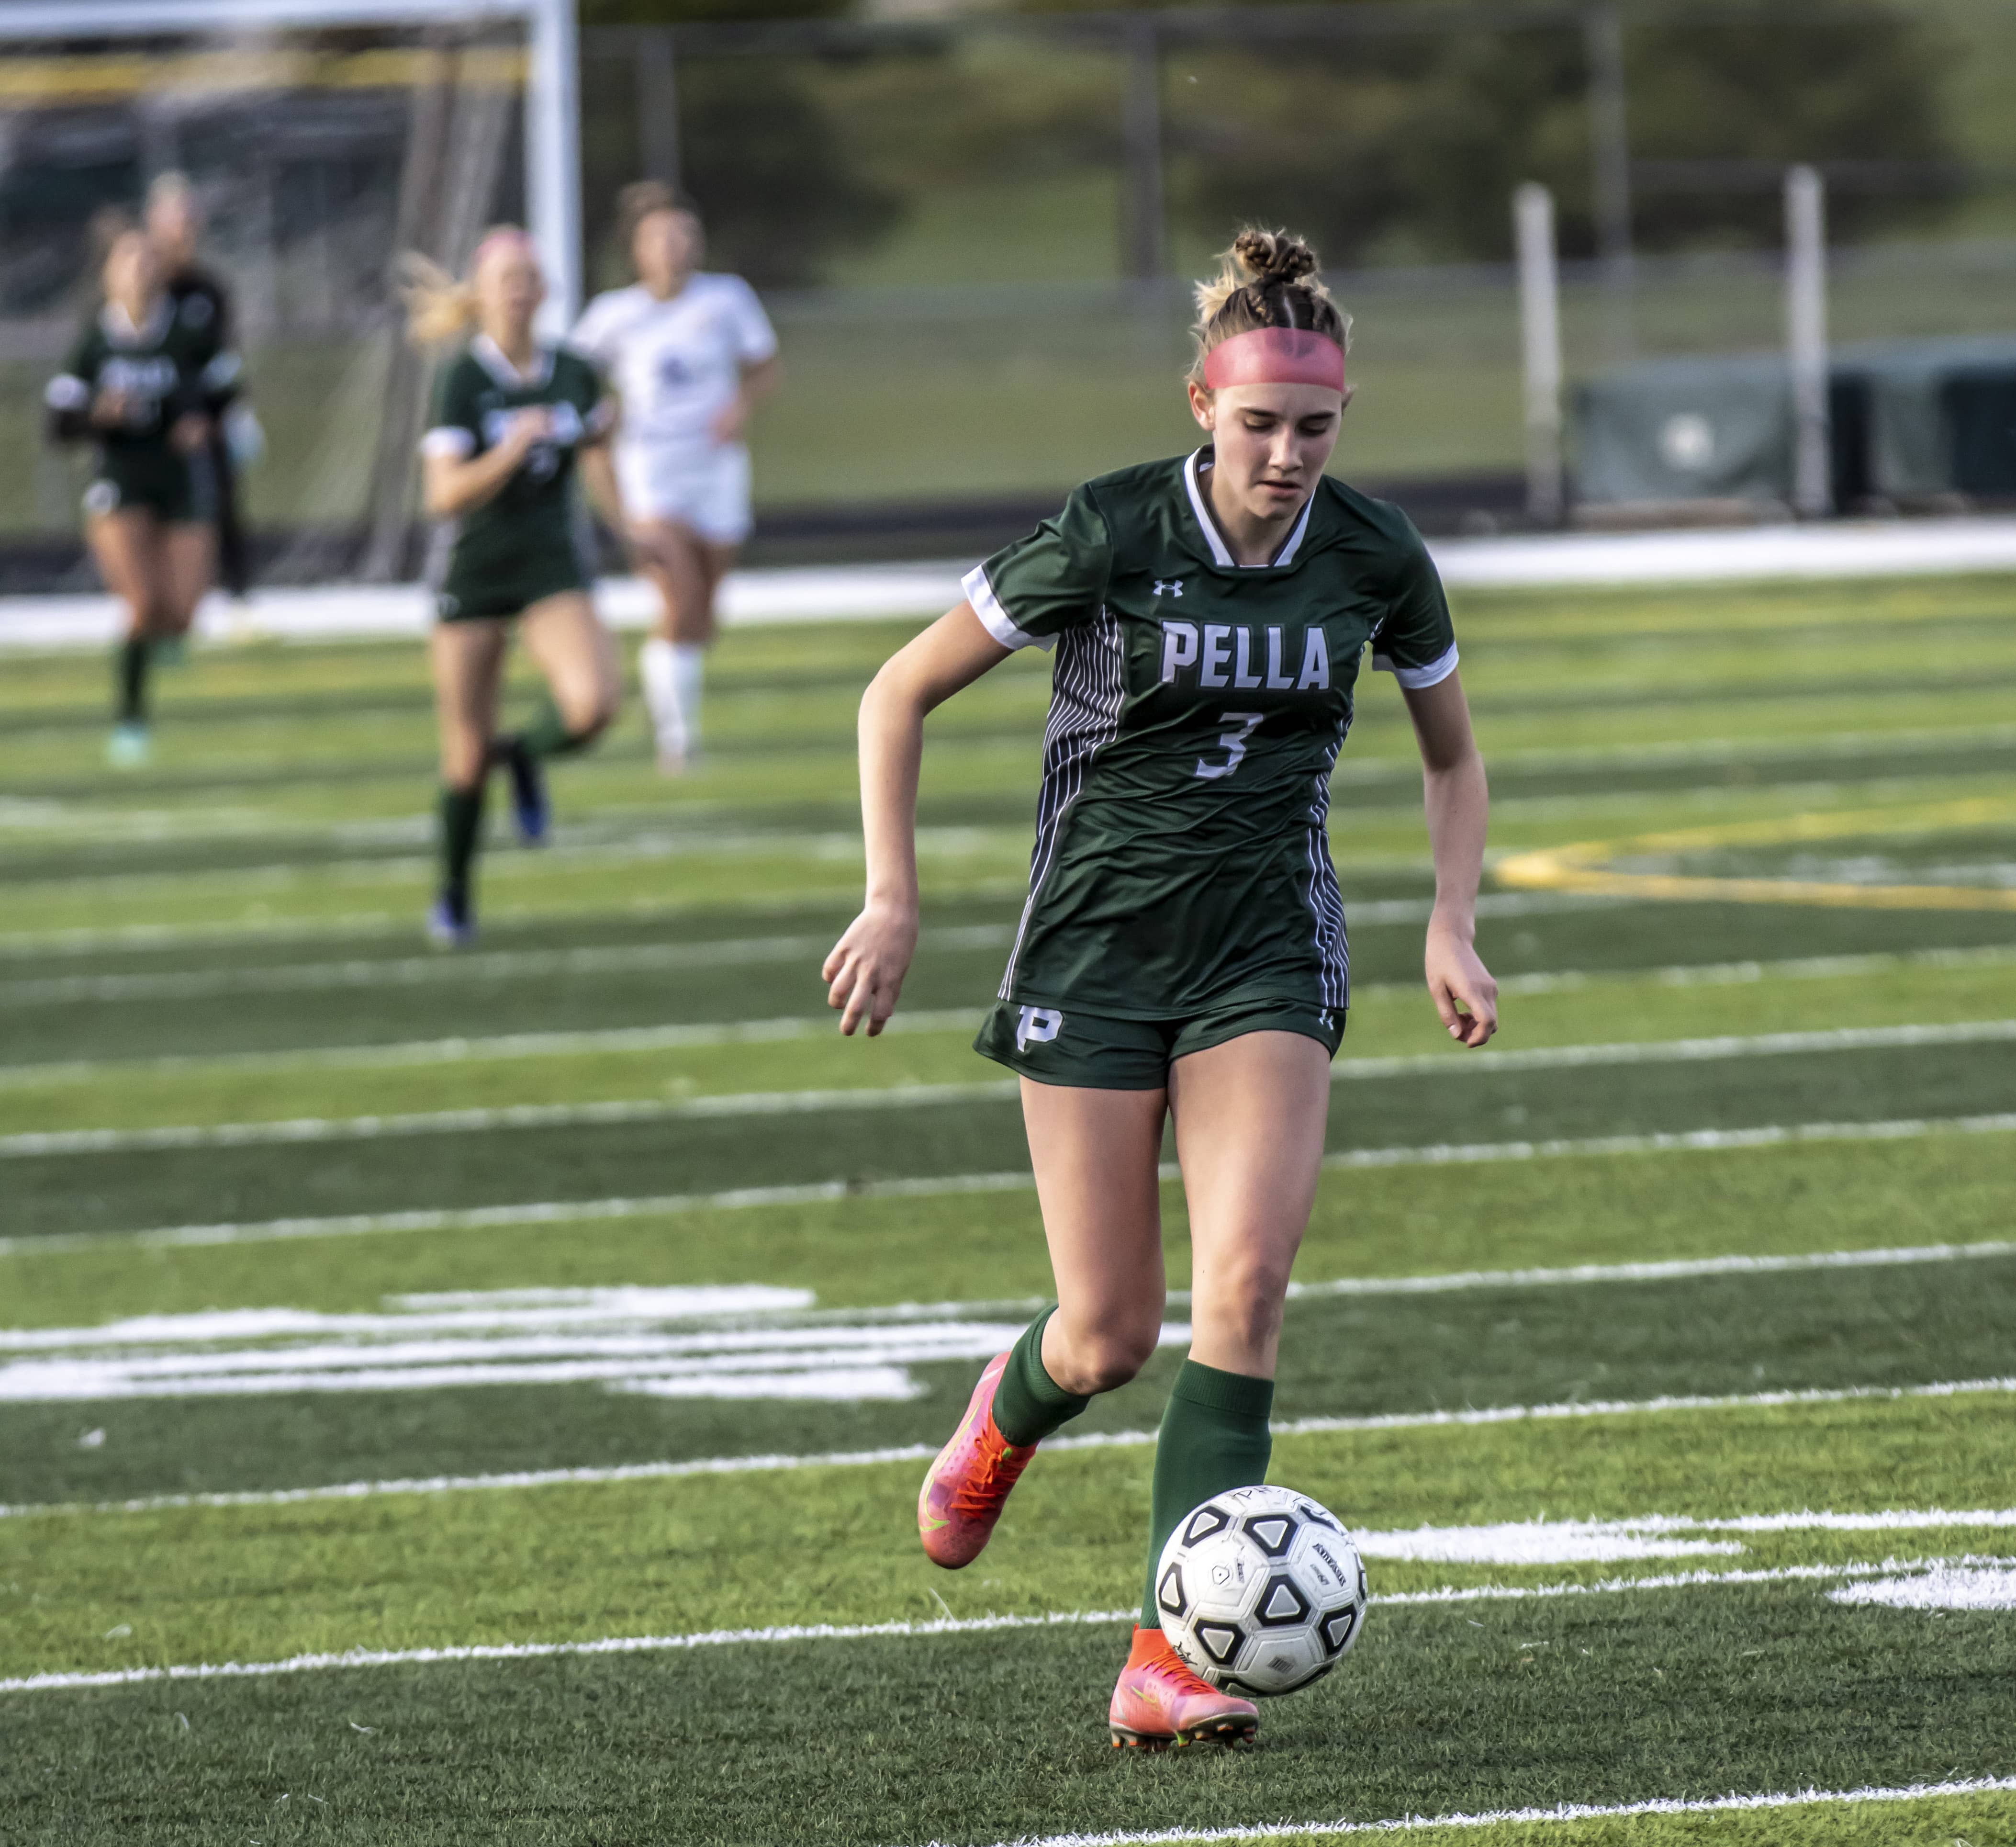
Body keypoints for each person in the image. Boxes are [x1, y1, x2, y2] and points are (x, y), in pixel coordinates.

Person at [822, 229, 1498, 1749]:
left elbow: (1450, 752)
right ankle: (1003, 1416)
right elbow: (896, 689)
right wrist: (892, 892)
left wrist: (1446, 922)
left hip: (1267, 949)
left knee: (1243, 1288)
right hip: (1096, 947)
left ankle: (1160, 1653)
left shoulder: (1373, 552)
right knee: (1107, 1329)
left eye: (1313, 428)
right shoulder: (1112, 530)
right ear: (1201, 400)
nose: (1284, 454)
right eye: (1256, 423)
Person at [406, 227, 625, 948]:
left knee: (593, 706)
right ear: (483, 291)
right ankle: (454, 893)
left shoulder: (572, 369)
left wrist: (631, 527)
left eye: (531, 276)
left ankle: (526, 754)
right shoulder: (463, 379)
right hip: (473, 568)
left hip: (550, 564)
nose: (522, 290)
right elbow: (444, 494)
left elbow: (595, 452)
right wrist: (510, 449)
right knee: (464, 757)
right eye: (508, 278)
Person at [571, 180, 781, 774]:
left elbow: (764, 368)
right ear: (635, 248)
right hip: (652, 470)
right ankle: (677, 740)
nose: (671, 246)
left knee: (703, 611)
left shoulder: (726, 299)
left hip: (715, 468)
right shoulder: (615, 314)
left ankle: (671, 687)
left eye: (682, 233)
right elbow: (572, 377)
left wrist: (738, 409)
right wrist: (598, 416)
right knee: (677, 591)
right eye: (657, 235)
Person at [45, 219, 235, 767]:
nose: (140, 269)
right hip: (121, 481)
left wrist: (201, 421)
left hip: (177, 479)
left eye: (148, 259)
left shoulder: (186, 335)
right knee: (142, 604)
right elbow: (60, 425)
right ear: (110, 275)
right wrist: (98, 417)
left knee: (182, 612)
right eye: (128, 260)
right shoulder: (96, 342)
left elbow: (226, 390)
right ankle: (130, 720)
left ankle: (157, 643)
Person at [145, 171, 260, 607]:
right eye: (175, 220)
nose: (183, 231)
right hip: (150, 426)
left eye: (189, 221)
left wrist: (218, 413)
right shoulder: (145, 287)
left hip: (202, 420)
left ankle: (236, 596)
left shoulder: (209, 290)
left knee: (221, 500)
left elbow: (223, 361)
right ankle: (161, 601)